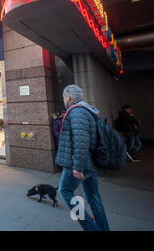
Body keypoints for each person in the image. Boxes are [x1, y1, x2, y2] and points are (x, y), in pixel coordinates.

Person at [56, 85, 110, 231]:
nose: (63, 100)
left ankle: (91, 228)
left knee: (65, 191)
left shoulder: (77, 112)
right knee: (93, 197)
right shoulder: (86, 110)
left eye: (63, 97)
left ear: (69, 97)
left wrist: (77, 167)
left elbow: (81, 141)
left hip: (80, 163)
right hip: (89, 163)